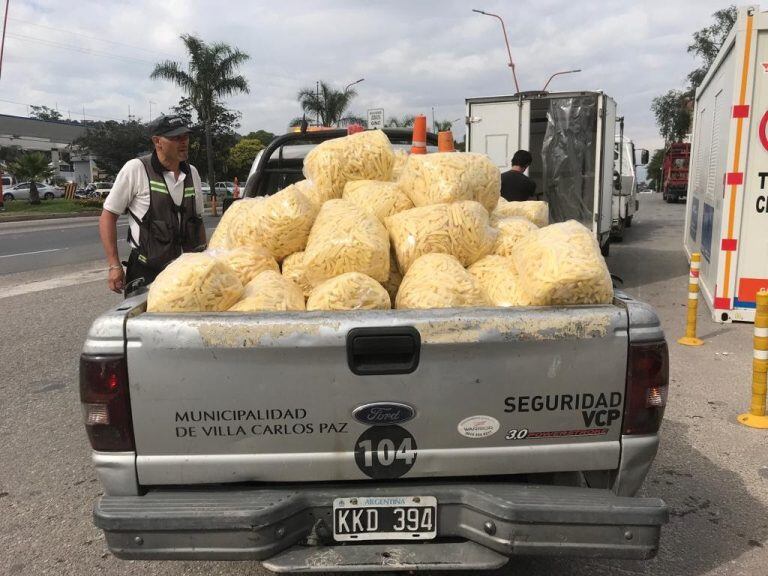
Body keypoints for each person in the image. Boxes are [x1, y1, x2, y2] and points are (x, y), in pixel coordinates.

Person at [99, 114, 207, 295]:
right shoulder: (136, 169)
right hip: (148, 272)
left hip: (188, 274)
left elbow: (197, 220)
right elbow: (108, 217)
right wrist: (114, 266)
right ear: (157, 141)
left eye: (186, 137)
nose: (184, 142)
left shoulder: (192, 173)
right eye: (175, 138)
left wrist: (206, 258)